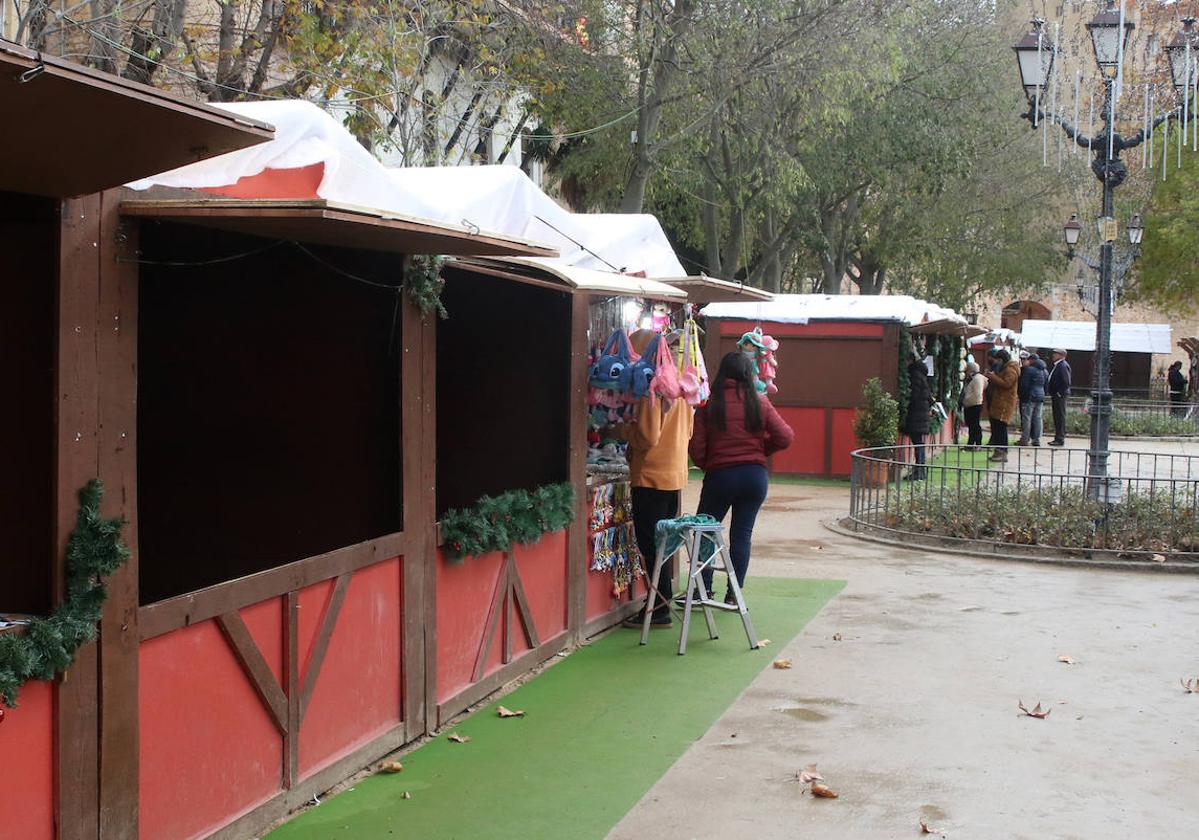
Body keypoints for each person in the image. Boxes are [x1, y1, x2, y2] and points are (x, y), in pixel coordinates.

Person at [689, 352, 793, 603]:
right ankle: (734, 594)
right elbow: (785, 436)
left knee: (705, 531)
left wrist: (710, 464)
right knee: (742, 535)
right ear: (749, 374)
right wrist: (759, 452)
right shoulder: (759, 402)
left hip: (720, 477)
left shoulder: (709, 404)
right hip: (754, 477)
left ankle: (703, 590)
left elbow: (696, 448)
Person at [622, 329, 694, 630]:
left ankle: (659, 608)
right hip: (675, 471)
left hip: (651, 474)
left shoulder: (652, 384)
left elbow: (648, 436)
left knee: (651, 545)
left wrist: (626, 437)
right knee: (664, 544)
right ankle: (660, 603)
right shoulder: (680, 381)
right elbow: (689, 431)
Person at [984, 349, 1019, 462]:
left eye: (998, 360)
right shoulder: (1005, 368)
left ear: (1002, 359)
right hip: (1000, 402)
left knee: (1001, 428)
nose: (996, 362)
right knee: (997, 427)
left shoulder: (1011, 369)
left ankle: (1002, 452)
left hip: (1005, 403)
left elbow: (1007, 383)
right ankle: (998, 452)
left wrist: (993, 377)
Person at [903, 356, 932, 479]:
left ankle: (919, 471)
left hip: (915, 414)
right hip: (921, 413)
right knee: (919, 443)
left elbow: (913, 395)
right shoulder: (922, 375)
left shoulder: (914, 375)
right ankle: (920, 470)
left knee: (918, 443)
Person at [1018, 352, 1048, 446]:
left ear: (1030, 360)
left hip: (1030, 396)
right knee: (1038, 418)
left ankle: (1025, 439)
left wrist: (1022, 396)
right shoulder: (1044, 370)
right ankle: (1036, 439)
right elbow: (1046, 385)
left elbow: (1024, 385)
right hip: (1040, 396)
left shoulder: (1029, 370)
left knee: (1027, 418)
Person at [1047, 348, 1072, 446]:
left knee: (1060, 417)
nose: (1053, 355)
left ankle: (1060, 438)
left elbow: (1066, 382)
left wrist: (1059, 392)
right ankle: (1058, 437)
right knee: (1057, 416)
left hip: (1060, 395)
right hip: (1057, 394)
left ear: (1061, 355)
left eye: (1056, 354)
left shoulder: (1062, 366)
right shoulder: (1058, 365)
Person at [962, 360, 987, 450]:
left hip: (974, 405)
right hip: (971, 404)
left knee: (975, 425)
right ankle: (971, 443)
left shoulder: (977, 379)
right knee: (971, 425)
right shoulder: (974, 378)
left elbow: (977, 394)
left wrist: (966, 400)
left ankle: (977, 444)